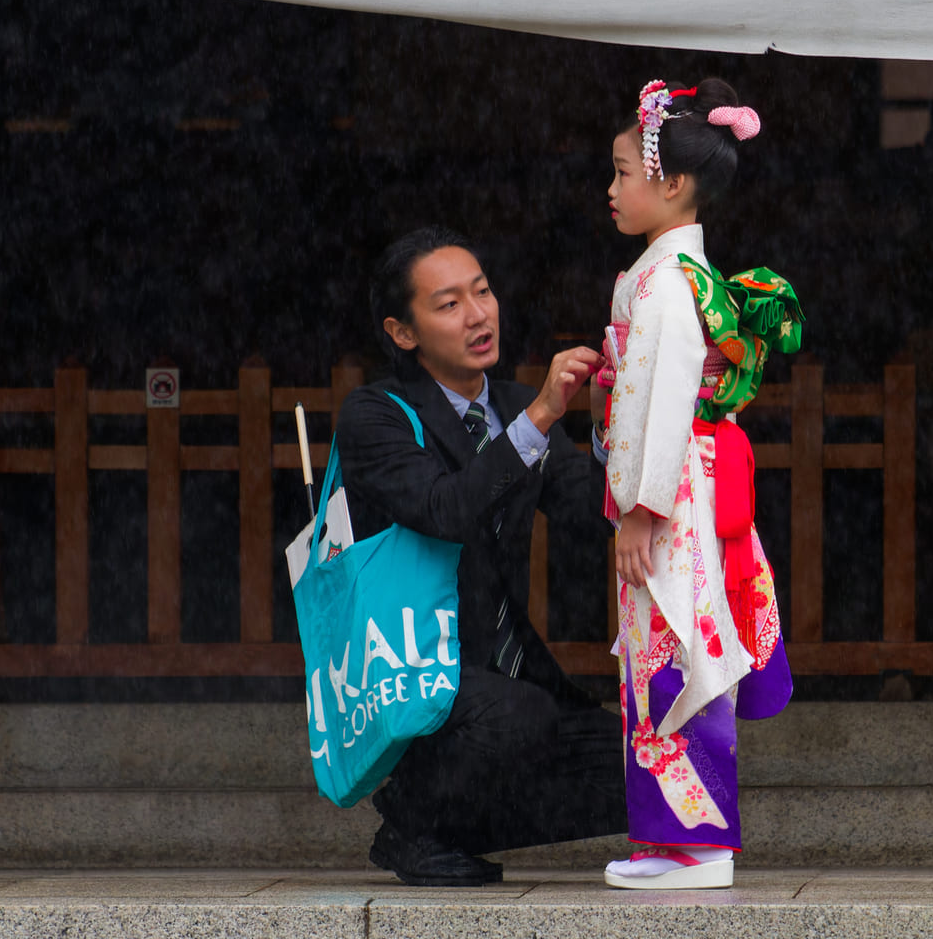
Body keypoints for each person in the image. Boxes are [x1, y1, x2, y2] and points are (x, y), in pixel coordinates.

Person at [337, 227, 624, 886]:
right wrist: (542, 417)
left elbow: (592, 513)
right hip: (415, 674)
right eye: (448, 304)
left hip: (508, 682)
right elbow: (445, 509)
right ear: (403, 332)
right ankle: (415, 810)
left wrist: (611, 424)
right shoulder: (375, 415)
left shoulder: (517, 407)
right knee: (518, 715)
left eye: (483, 291)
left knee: (658, 776)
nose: (478, 314)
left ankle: (435, 835)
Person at [594, 78, 796, 890]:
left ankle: (698, 844)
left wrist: (640, 512)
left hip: (671, 496)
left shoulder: (665, 282)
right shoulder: (667, 273)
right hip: (686, 486)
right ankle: (672, 839)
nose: (611, 190)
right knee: (663, 651)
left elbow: (659, 396)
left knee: (676, 649)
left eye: (620, 172)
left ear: (670, 183)